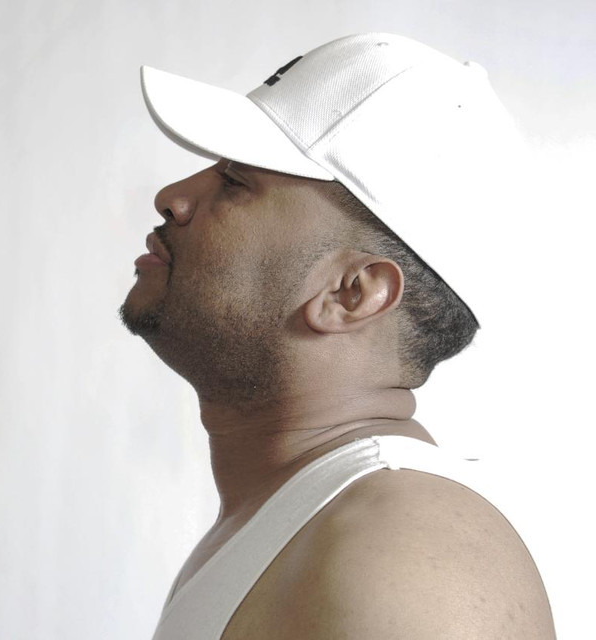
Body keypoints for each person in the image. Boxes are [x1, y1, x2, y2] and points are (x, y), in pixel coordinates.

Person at [119, 33, 556, 639]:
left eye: (235, 181)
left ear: (351, 293)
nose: (172, 197)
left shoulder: (407, 552)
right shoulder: (298, 519)